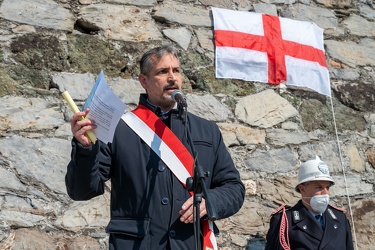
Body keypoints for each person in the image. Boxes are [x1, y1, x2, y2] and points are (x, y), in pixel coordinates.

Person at [65, 45, 245, 250]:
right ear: (144, 81)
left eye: (176, 71)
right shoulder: (119, 129)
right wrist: (85, 150)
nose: (172, 78)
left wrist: (210, 202)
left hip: (189, 244)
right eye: (162, 72)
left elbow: (234, 188)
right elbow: (81, 191)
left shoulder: (207, 131)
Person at [265, 155, 354, 250]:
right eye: (319, 187)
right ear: (303, 189)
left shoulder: (340, 218)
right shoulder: (285, 221)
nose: (325, 193)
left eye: (327, 187)